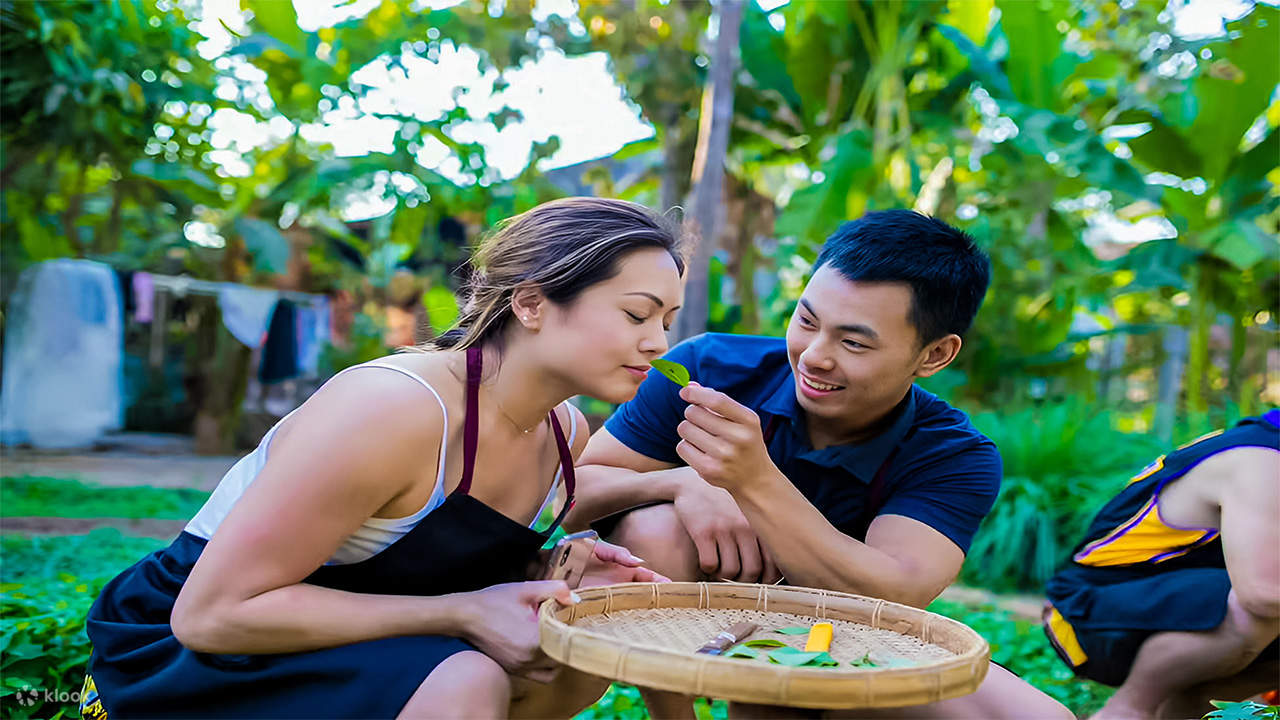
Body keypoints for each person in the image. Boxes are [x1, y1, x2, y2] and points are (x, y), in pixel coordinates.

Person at [79, 197, 683, 719]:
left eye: (666, 320)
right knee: (465, 679)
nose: (657, 342)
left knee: (571, 642)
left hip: (335, 641)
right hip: (188, 655)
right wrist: (463, 613)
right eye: (636, 313)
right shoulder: (396, 408)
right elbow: (210, 615)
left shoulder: (563, 432)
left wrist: (551, 572)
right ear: (530, 304)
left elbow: (416, 563)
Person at [567, 209, 1072, 719]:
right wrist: (685, 482)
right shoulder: (708, 370)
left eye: (853, 342)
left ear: (935, 354)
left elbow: (895, 593)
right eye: (806, 320)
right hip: (702, 609)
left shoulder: (955, 454)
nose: (813, 356)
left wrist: (752, 480)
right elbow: (574, 494)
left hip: (842, 636)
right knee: (653, 524)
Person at [1044, 411, 1280, 720]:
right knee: (1255, 605)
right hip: (1093, 612)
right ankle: (1127, 711)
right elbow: (1262, 594)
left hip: (1175, 604)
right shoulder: (1260, 461)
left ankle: (1190, 710)